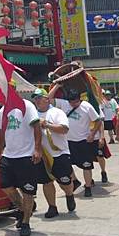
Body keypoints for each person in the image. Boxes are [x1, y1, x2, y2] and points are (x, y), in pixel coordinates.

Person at [0, 97, 43, 236]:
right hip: (9, 155)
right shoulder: (3, 110)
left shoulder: (27, 106)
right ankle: (23, 210)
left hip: (25, 155)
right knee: (6, 186)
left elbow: (37, 126)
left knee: (27, 190)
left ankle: (26, 222)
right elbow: (1, 132)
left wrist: (37, 149)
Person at [48, 85, 101, 198]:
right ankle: (75, 180)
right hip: (68, 142)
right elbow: (48, 99)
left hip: (83, 141)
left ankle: (87, 187)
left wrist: (92, 134)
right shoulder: (63, 104)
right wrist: (57, 85)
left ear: (79, 99)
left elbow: (98, 121)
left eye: (76, 102)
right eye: (71, 102)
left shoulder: (87, 106)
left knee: (87, 166)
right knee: (67, 165)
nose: (74, 104)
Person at [31, 89, 76, 217]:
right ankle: (52, 207)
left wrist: (47, 125)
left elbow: (64, 129)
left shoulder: (56, 112)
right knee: (46, 182)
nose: (37, 100)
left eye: (40, 97)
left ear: (47, 99)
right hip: (43, 155)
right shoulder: (32, 114)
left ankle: (69, 194)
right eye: (35, 98)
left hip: (59, 153)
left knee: (65, 182)